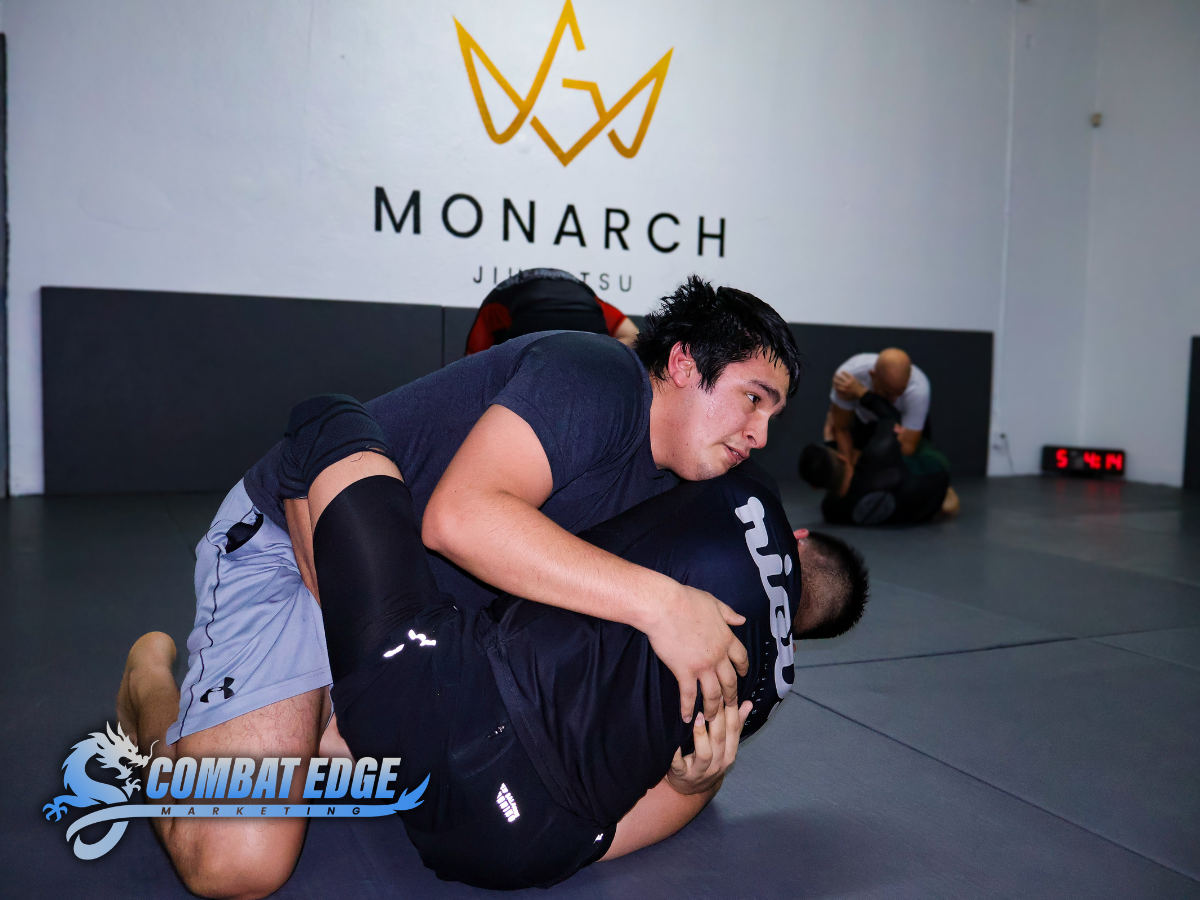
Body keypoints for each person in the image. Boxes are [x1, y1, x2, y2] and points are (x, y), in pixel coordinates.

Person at [117, 276, 802, 898]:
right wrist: (663, 604)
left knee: (390, 761)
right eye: (753, 399)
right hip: (297, 545)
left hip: (414, 629)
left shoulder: (668, 492)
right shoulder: (597, 375)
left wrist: (690, 779)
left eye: (773, 417)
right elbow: (458, 519)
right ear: (683, 364)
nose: (760, 434)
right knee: (236, 866)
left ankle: (318, 709)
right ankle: (146, 681)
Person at [296, 414, 869, 889]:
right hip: (516, 847)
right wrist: (692, 788)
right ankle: (358, 740)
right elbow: (683, 788)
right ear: (795, 635)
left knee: (330, 425)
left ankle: (341, 697)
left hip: (458, 704)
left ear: (798, 537)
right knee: (674, 770)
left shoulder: (750, 492)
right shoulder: (767, 691)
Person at [801, 390, 959, 525]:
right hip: (936, 482)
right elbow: (890, 418)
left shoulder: (832, 512)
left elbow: (832, 478)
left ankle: (944, 503)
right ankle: (947, 495)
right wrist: (862, 393)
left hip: (920, 514)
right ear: (842, 458)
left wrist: (830, 441)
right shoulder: (879, 456)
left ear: (815, 487)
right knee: (904, 435)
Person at [465, 267, 639, 354]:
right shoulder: (590, 300)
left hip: (529, 323)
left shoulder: (496, 302)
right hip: (585, 321)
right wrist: (604, 358)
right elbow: (632, 335)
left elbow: (472, 362)